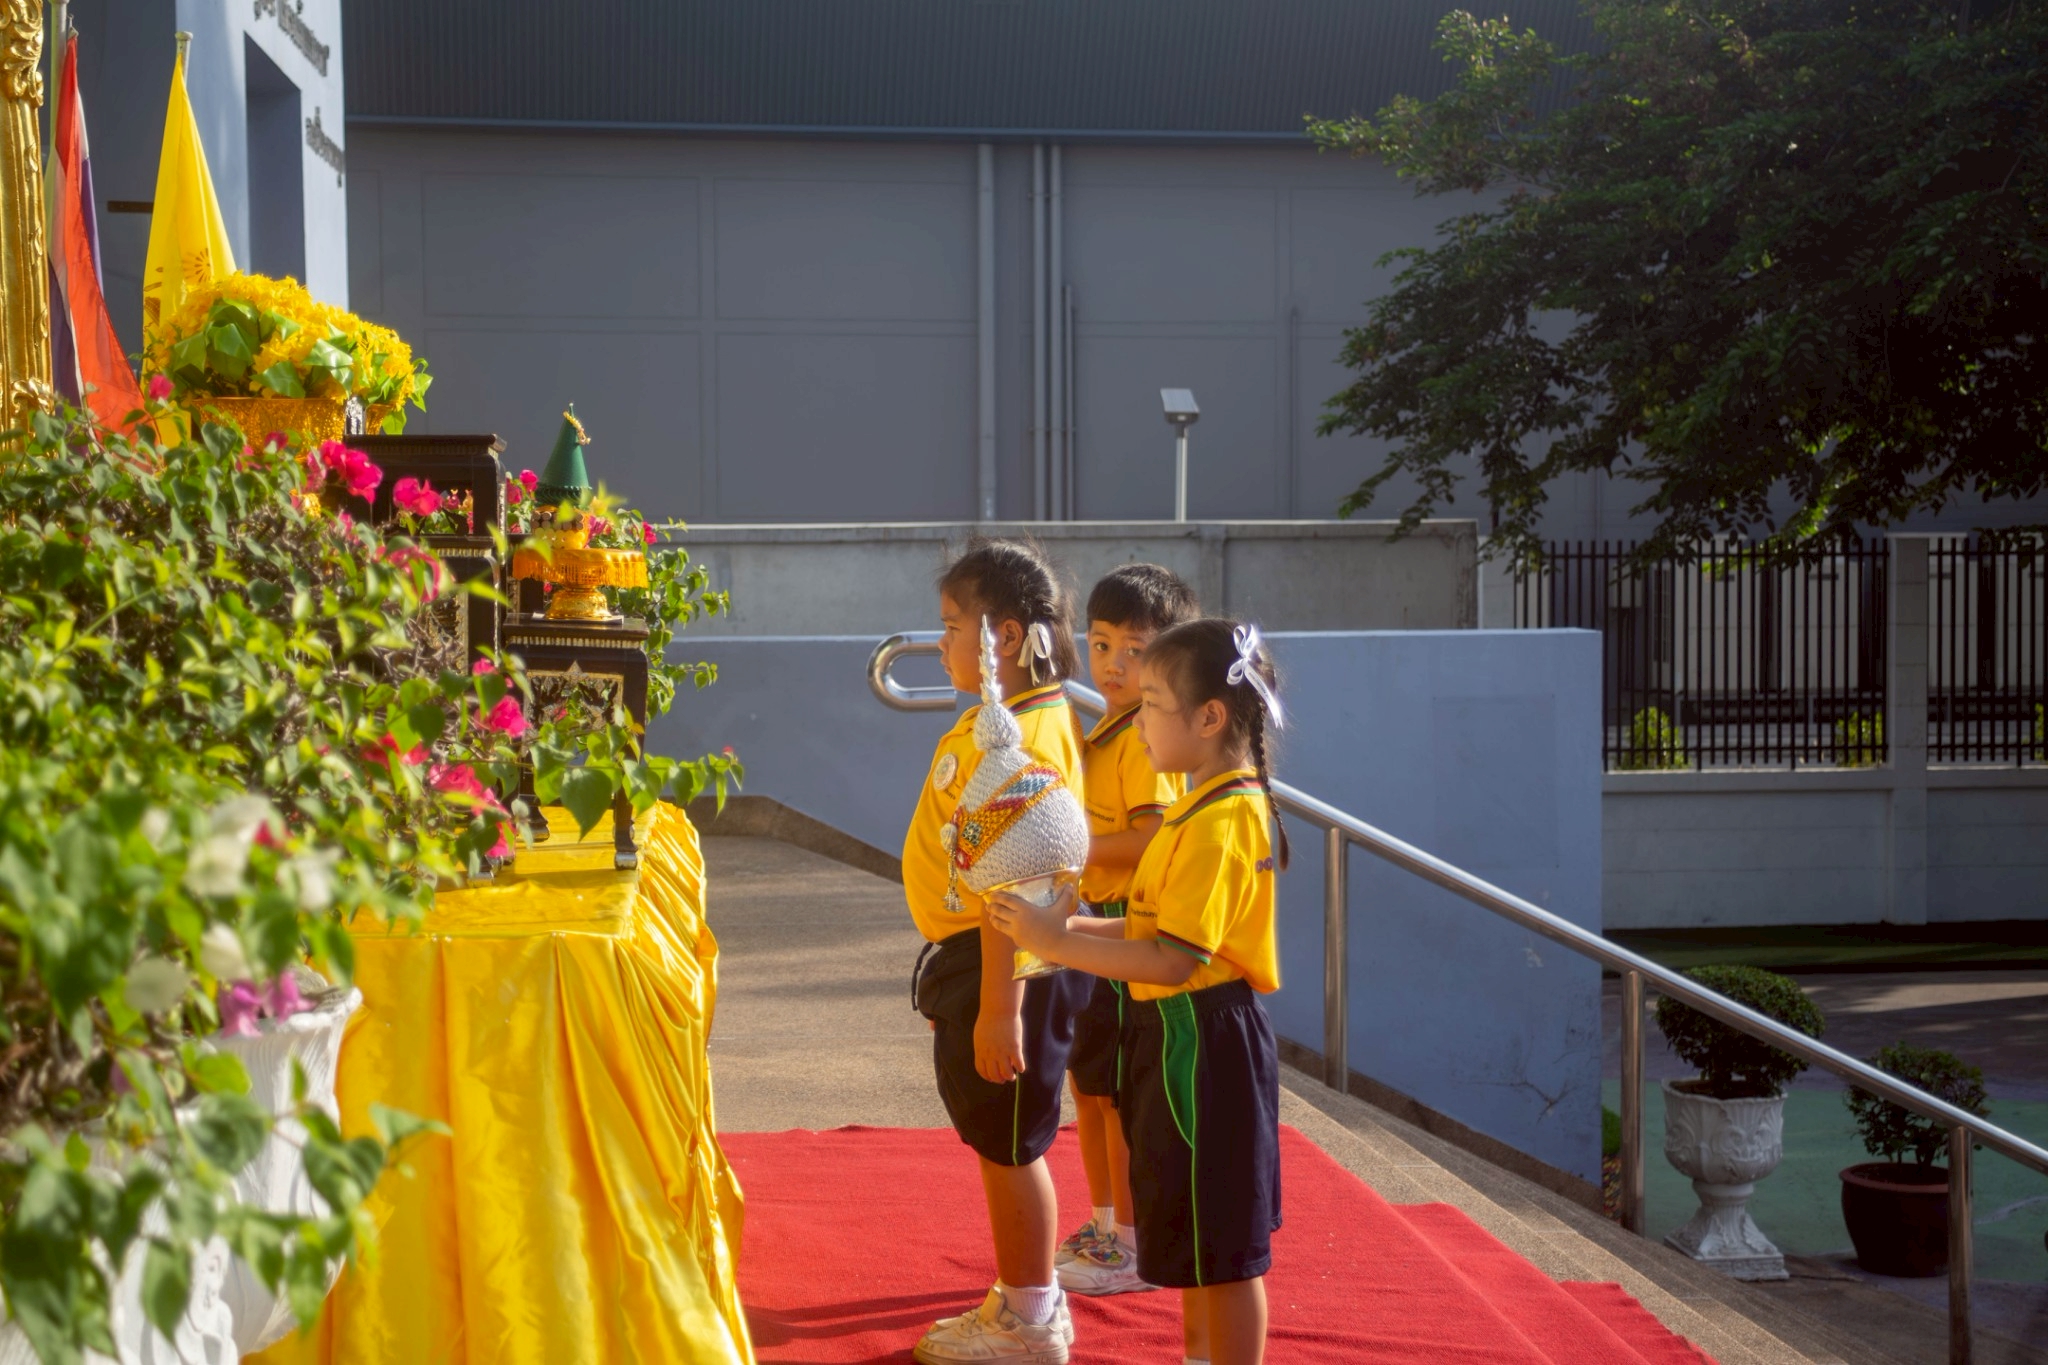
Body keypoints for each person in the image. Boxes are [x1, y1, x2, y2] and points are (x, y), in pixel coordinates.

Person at [987, 618, 1288, 1365]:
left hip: (1203, 1040)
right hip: (1178, 1035)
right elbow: (1148, 926)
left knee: (1224, 1246)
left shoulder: (1222, 818)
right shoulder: (1198, 804)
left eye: (1153, 703)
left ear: (1209, 717)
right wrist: (1067, 925)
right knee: (1190, 1230)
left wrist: (1057, 942)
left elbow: (1174, 959)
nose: (1139, 718)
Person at [903, 538, 1092, 1365]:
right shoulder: (1009, 717)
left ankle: (1031, 1317)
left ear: (1005, 637)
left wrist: (996, 1009)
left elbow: (1015, 888)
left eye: (953, 626)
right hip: (986, 962)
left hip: (1008, 968)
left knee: (1012, 1143)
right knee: (999, 1138)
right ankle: (1024, 1297)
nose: (941, 642)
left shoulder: (1024, 734)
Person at [1057, 564, 1199, 1298]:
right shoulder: (1104, 731)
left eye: (1136, 650)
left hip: (1120, 931)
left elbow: (1150, 841)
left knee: (1116, 1095)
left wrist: (1066, 844)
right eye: (1102, 643)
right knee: (1089, 1087)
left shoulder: (1145, 741)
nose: (1114, 663)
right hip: (1093, 926)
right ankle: (1104, 1221)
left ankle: (1132, 1240)